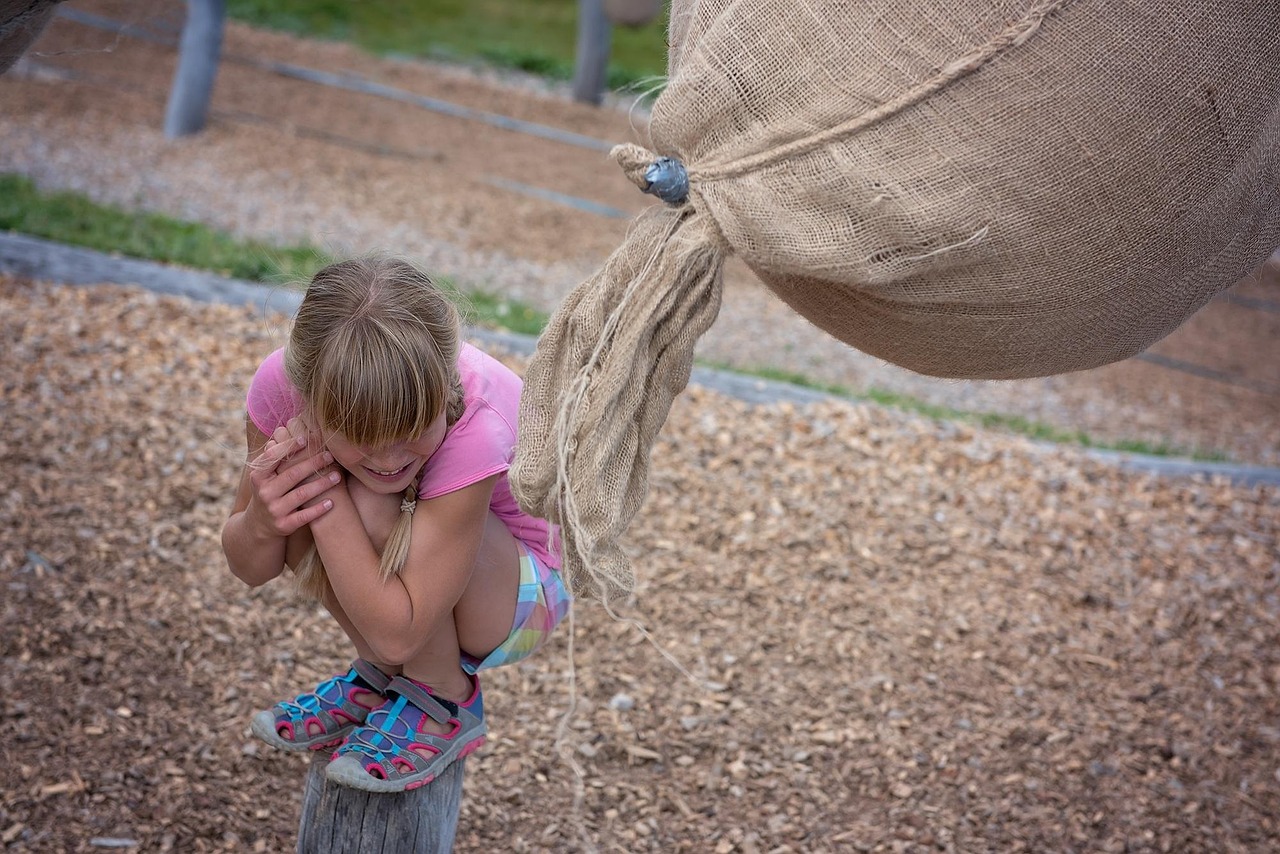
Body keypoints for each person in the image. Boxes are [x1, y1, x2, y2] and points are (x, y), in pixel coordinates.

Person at [221, 255, 569, 793]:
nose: (388, 456)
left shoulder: (475, 417)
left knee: (355, 496)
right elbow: (249, 567)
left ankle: (442, 696)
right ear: (309, 398)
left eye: (413, 427)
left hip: (520, 596)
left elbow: (398, 633)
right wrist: (265, 520)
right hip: (416, 598)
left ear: (442, 396)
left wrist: (327, 486)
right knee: (298, 491)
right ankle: (384, 679)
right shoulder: (282, 385)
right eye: (359, 432)